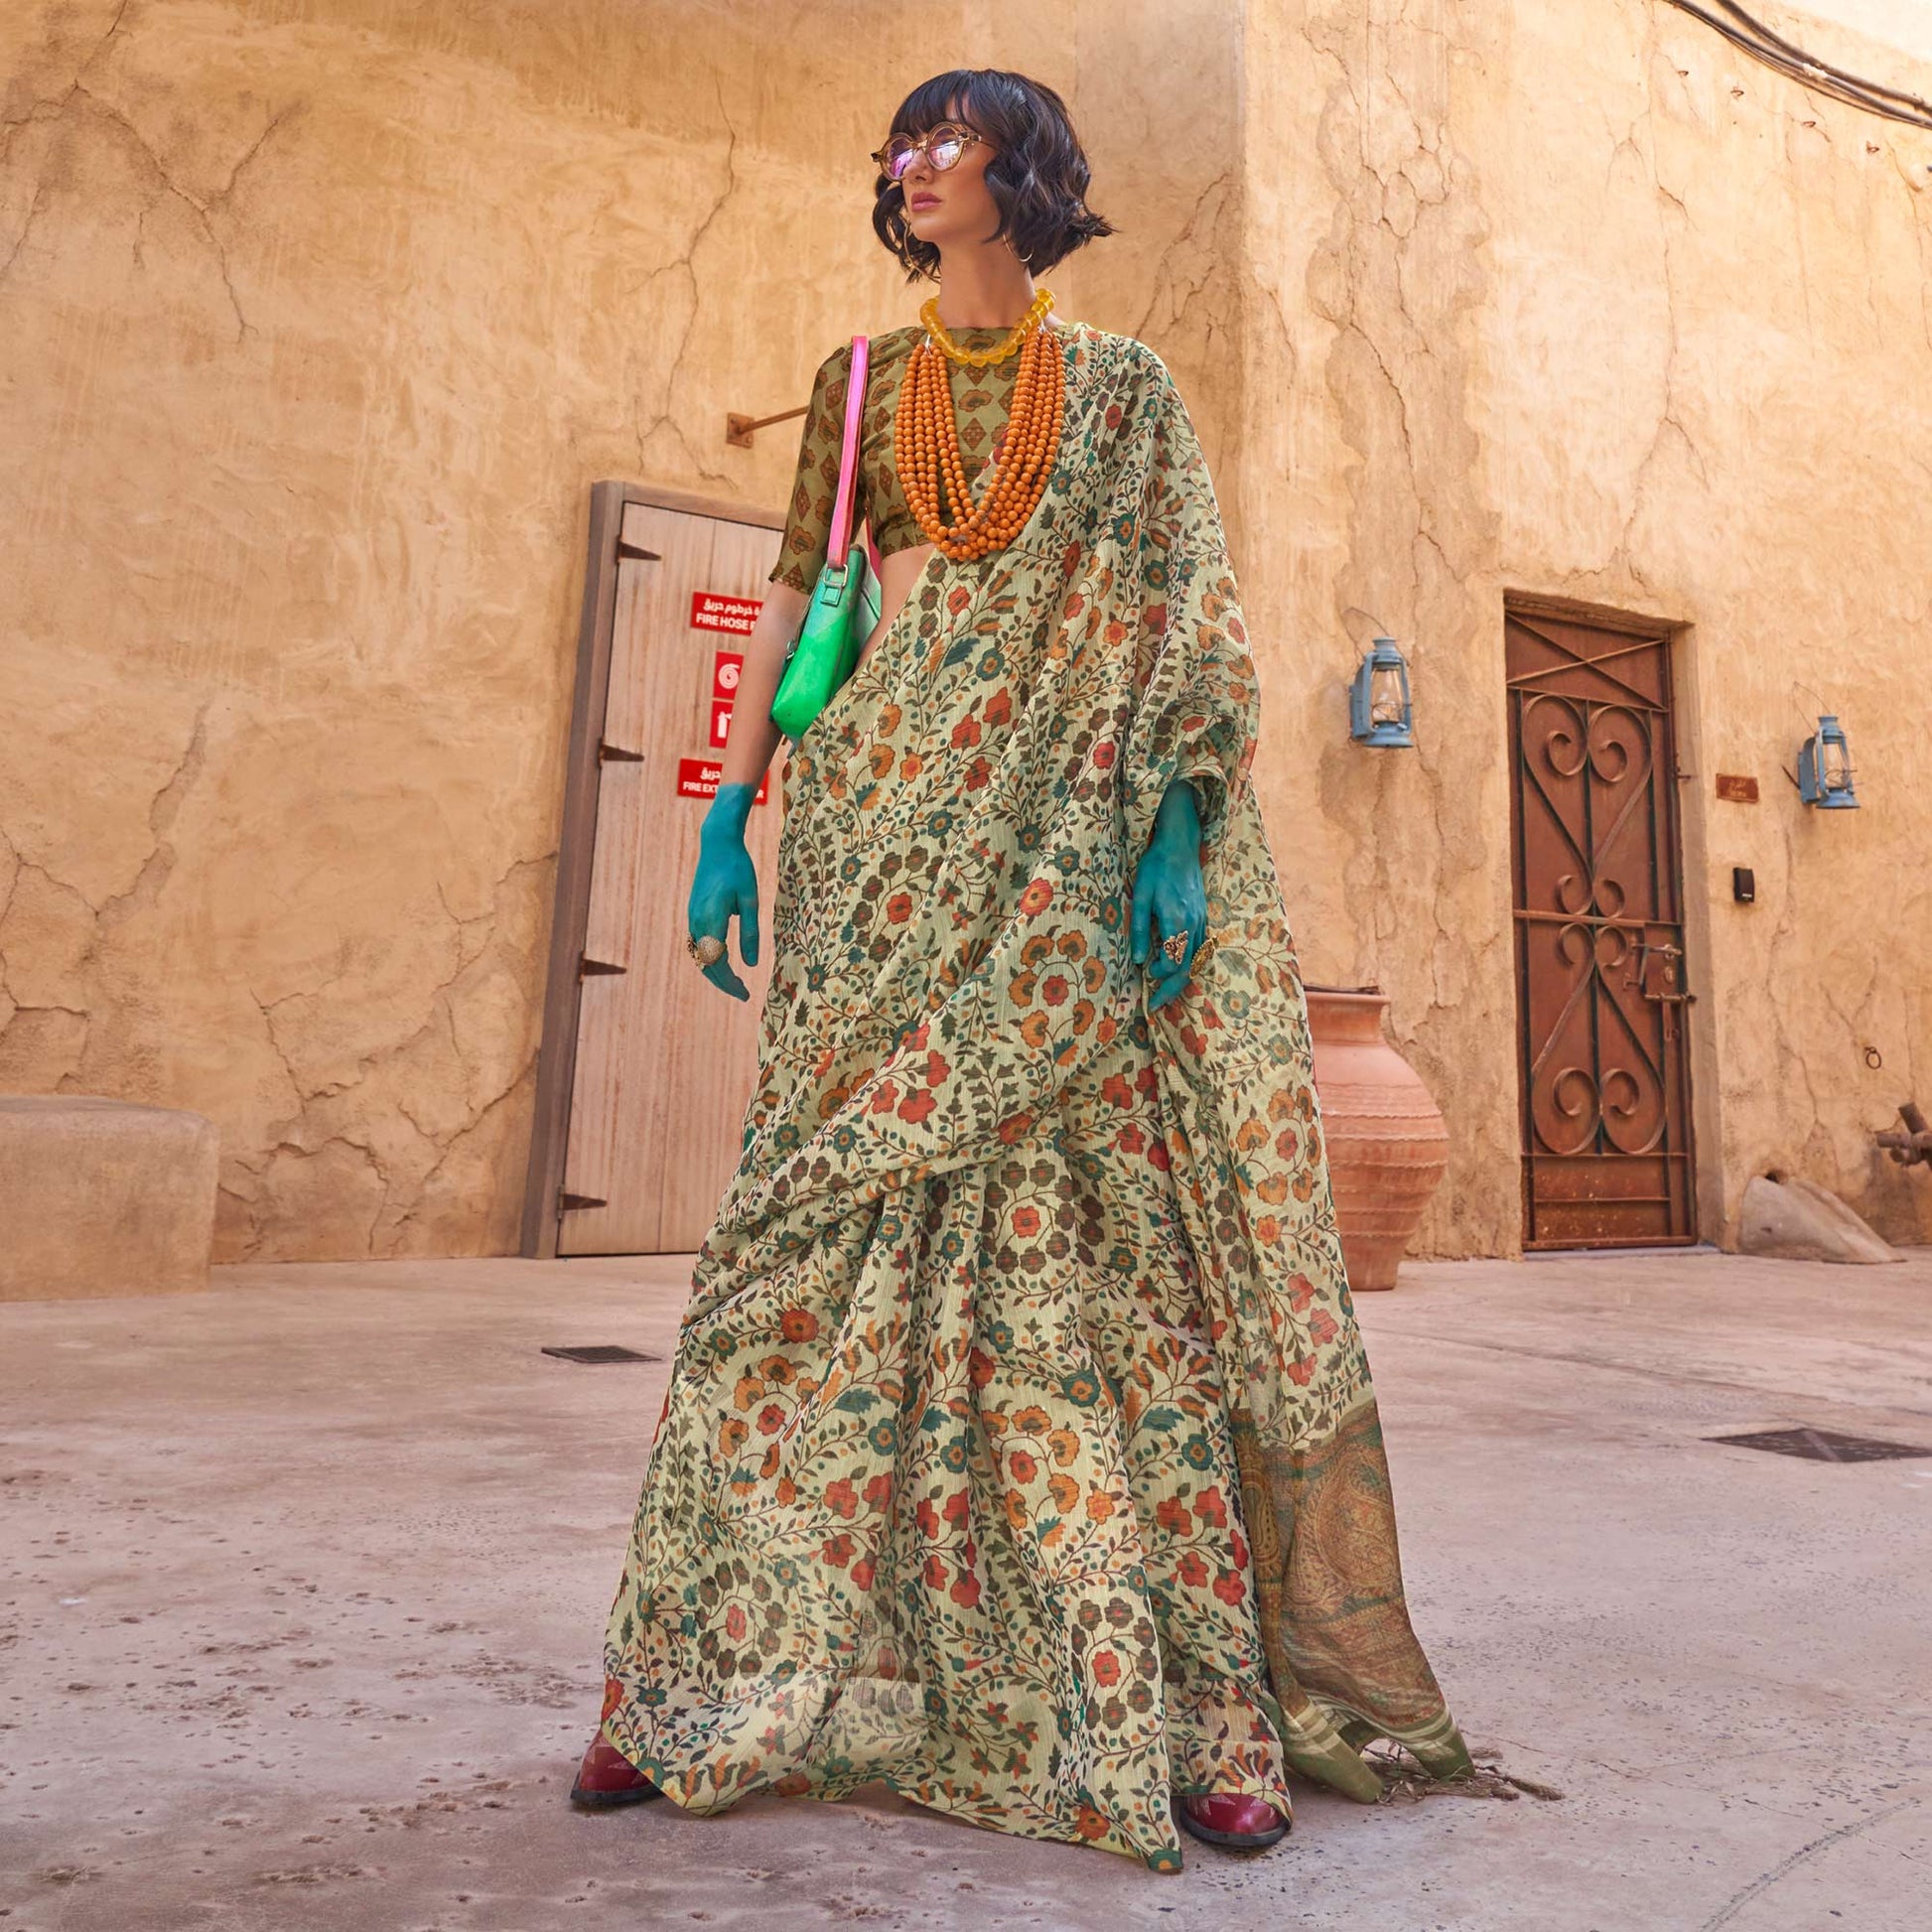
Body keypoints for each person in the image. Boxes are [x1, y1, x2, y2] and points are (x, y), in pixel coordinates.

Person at [571, 67, 1471, 1872]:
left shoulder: (1127, 394)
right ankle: (689, 1679)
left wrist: (1171, 829)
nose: (911, 166)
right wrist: (727, 814)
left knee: (1089, 1267)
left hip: (1059, 857)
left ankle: (1196, 1704)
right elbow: (802, 605)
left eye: (946, 138)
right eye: (899, 143)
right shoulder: (858, 387)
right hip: (878, 845)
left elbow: (1180, 610)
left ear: (1026, 172)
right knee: (796, 1252)